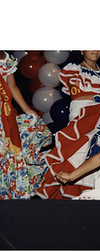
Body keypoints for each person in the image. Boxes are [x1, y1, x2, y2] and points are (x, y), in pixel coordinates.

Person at [37, 51, 100, 199]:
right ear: (82, 50)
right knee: (78, 155)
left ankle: (94, 196)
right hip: (83, 120)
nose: (95, 50)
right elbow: (77, 97)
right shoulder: (74, 70)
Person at [0, 51, 52, 199]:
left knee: (9, 153)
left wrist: (28, 110)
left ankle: (8, 194)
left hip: (5, 115)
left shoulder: (6, 59)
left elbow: (12, 87)